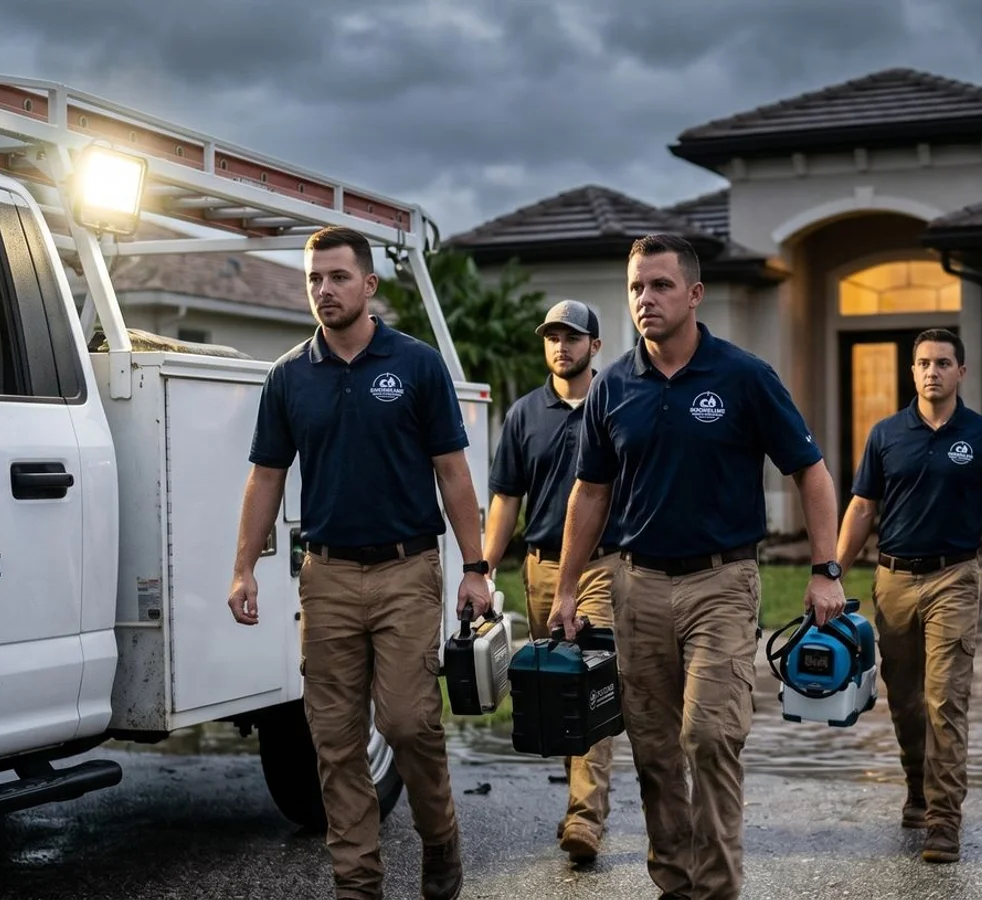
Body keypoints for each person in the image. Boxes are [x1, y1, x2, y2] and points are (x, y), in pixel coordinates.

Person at [549, 233, 845, 899]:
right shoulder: (614, 385)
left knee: (709, 735)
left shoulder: (743, 377)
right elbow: (590, 493)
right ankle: (675, 884)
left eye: (659, 285)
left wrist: (826, 568)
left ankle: (716, 888)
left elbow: (812, 472)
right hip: (637, 584)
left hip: (722, 581)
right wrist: (568, 587)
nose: (645, 299)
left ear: (694, 293)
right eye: (635, 288)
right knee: (654, 750)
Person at [226, 225, 489, 900]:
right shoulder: (288, 377)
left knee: (406, 721)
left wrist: (476, 567)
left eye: (338, 277)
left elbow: (453, 474)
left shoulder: (417, 365)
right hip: (328, 575)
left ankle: (441, 839)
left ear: (369, 285)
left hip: (407, 571)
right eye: (314, 278)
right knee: (335, 740)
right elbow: (266, 477)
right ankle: (358, 885)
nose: (324, 290)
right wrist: (244, 567)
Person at [832, 327, 982, 865]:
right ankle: (917, 791)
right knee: (905, 703)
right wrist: (831, 572)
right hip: (893, 582)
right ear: (913, 372)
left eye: (943, 363)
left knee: (946, 701)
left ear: (961, 372)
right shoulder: (885, 435)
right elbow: (862, 509)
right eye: (924, 363)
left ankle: (944, 822)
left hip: (954, 578)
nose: (933, 371)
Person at [480, 298, 621, 863]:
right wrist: (484, 567)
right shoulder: (523, 414)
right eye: (552, 337)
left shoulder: (615, 405)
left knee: (588, 681)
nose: (560, 346)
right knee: (558, 686)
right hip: (539, 568)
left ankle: (586, 817)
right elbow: (506, 499)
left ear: (595, 346)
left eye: (572, 337)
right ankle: (576, 803)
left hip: (601, 568)